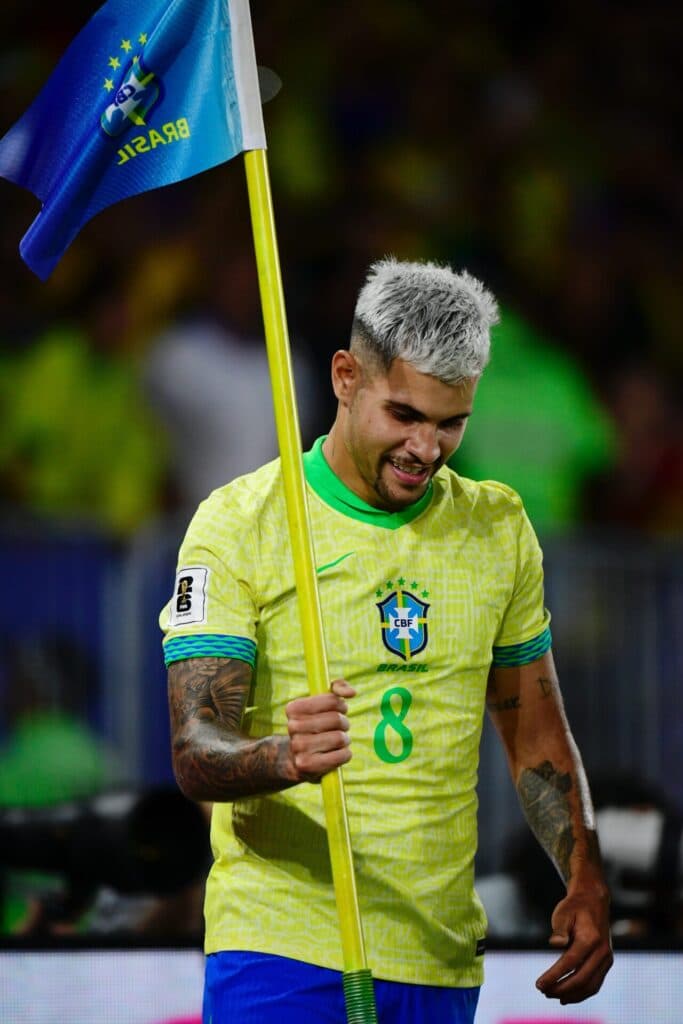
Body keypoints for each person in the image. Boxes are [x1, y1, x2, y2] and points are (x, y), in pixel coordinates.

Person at [161, 259, 613, 1023]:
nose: (425, 448)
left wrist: (585, 876)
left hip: (438, 957)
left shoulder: (496, 529)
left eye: (449, 423)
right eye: (403, 414)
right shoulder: (241, 523)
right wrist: (281, 755)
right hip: (282, 949)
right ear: (345, 376)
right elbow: (195, 748)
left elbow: (534, 733)